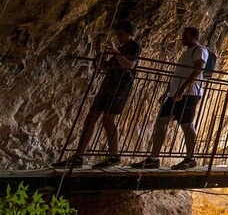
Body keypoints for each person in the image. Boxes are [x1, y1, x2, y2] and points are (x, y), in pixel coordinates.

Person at [51, 21, 141, 169]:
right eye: (118, 33)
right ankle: (78, 156)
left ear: (130, 34)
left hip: (120, 87)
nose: (118, 36)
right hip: (108, 85)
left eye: (121, 34)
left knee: (107, 119)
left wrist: (115, 52)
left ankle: (114, 155)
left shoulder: (135, 46)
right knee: (91, 117)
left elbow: (129, 65)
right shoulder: (121, 47)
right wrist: (100, 54)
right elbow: (106, 67)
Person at [131, 27, 208, 170]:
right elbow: (178, 73)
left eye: (185, 35)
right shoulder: (186, 53)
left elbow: (198, 70)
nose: (182, 38)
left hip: (189, 93)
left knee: (186, 124)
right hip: (175, 93)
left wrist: (182, 88)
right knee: (161, 121)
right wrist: (168, 91)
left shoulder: (200, 50)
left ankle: (190, 158)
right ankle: (153, 158)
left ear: (194, 37)